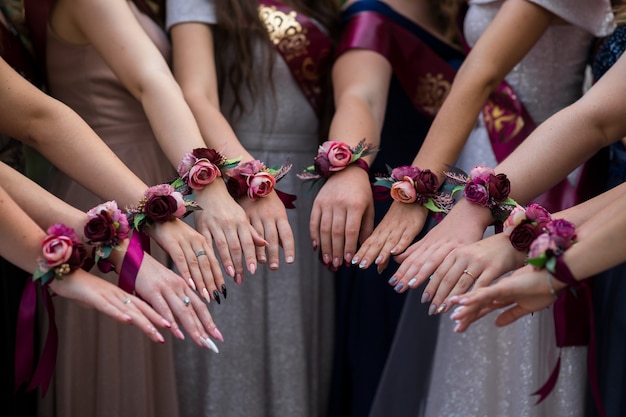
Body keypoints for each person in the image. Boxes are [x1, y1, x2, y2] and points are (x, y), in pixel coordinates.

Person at [356, 0, 615, 416]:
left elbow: (481, 74)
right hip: (482, 162)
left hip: (538, 167)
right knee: (467, 325)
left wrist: (418, 188)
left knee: (514, 324)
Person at [25, 0, 263, 413]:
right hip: (107, 192)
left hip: (151, 184)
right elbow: (152, 81)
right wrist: (208, 186)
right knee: (120, 358)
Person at [165, 1, 339, 416]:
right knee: (229, 351)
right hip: (228, 182)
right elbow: (196, 93)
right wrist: (248, 177)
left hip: (303, 190)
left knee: (295, 346)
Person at [306, 1, 465, 416]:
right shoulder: (371, 15)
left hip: (462, 215)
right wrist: (351, 166)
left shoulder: (460, 17)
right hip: (394, 226)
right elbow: (362, 97)